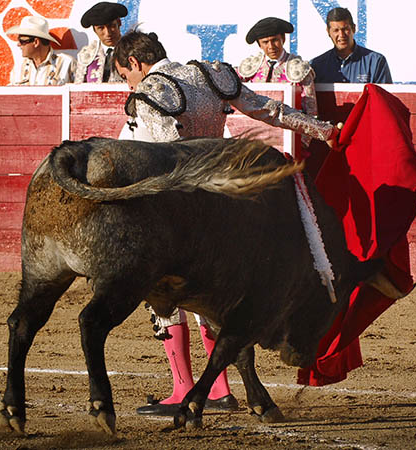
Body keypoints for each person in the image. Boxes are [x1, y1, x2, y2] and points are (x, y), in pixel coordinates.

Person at [113, 30, 337, 416]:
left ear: (134, 63)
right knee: (212, 302)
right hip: (226, 209)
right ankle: (220, 388)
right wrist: (323, 130)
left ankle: (183, 388)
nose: (127, 84)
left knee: (164, 296)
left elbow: (173, 159)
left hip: (183, 211)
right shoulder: (209, 74)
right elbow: (268, 109)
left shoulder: (149, 92)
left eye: (124, 75)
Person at [238, 17, 318, 148]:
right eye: (265, 42)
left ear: (283, 39)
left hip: (288, 140)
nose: (271, 46)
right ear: (259, 44)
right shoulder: (249, 68)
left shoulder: (299, 69)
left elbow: (311, 110)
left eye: (274, 40)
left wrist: (301, 144)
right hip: (254, 140)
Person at [311, 7, 392, 83]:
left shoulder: (376, 62)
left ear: (354, 28)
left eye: (345, 29)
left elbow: (383, 93)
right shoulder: (317, 65)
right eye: (336, 30)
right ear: (328, 32)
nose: (341, 35)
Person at [6, 16, 75, 86]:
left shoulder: (67, 63)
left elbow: (79, 90)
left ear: (36, 42)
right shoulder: (19, 66)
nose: (18, 44)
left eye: (22, 41)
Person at [74, 2, 127, 83]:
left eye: (111, 26)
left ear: (119, 23)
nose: (108, 33)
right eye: (101, 28)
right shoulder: (87, 54)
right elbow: (78, 87)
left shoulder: (133, 50)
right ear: (94, 30)